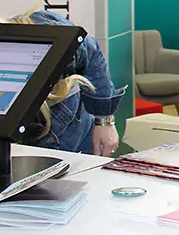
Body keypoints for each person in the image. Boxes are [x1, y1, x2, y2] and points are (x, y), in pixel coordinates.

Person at [1, 10, 124, 156]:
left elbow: (91, 53)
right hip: (27, 161)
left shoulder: (40, 28)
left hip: (80, 146)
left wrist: (104, 121)